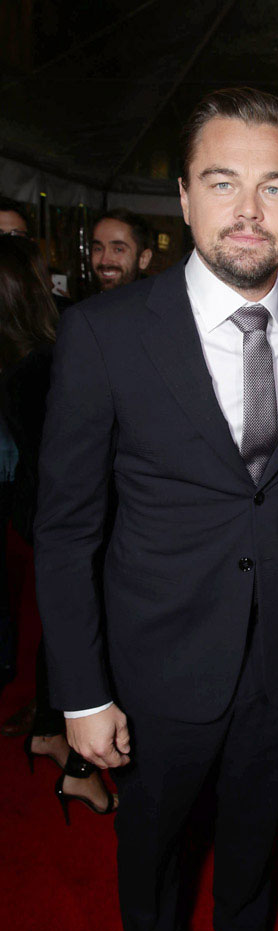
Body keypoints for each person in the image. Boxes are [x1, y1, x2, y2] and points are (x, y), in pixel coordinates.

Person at [34, 87, 278, 931]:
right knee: (153, 832)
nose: (248, 210)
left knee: (255, 818)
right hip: (157, 657)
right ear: (181, 196)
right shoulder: (103, 334)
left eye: (274, 186)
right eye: (221, 182)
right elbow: (66, 528)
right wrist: (81, 692)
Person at [0, 234, 116, 814]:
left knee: (61, 622)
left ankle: (48, 733)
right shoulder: (45, 362)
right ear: (29, 289)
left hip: (33, 507)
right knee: (83, 626)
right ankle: (77, 768)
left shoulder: (19, 358)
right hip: (65, 513)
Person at [90, 207, 154, 291]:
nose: (104, 261)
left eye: (118, 250)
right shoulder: (87, 297)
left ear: (143, 259)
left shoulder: (158, 297)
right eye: (98, 249)